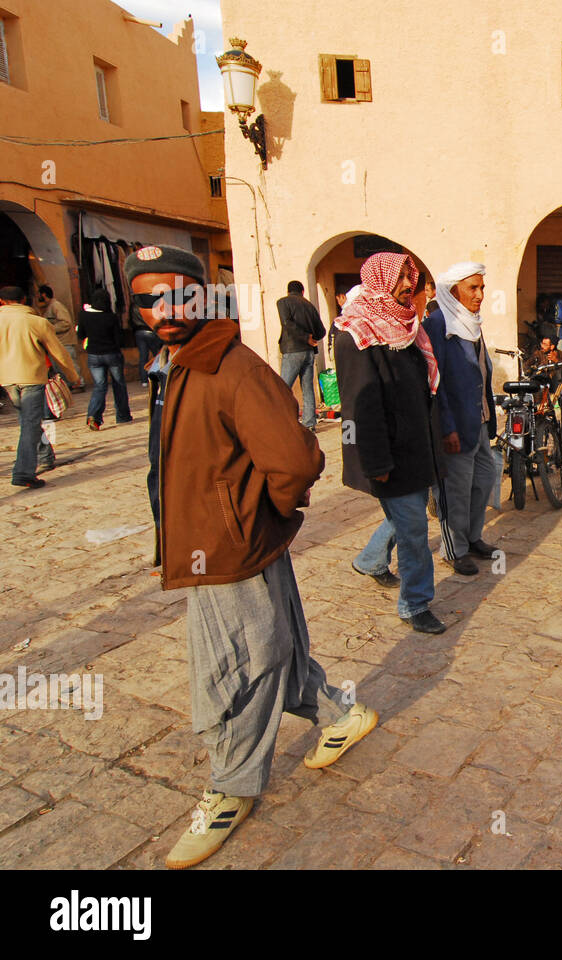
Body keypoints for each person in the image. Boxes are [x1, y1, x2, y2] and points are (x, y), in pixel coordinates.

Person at [125, 244, 375, 869]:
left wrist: (265, 515)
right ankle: (343, 714)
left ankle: (232, 786)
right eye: (149, 298)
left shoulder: (228, 367)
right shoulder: (177, 362)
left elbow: (294, 460)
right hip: (217, 544)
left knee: (236, 668)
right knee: (276, 648)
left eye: (178, 292)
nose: (165, 308)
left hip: (232, 550)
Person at [336, 252, 446, 632]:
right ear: (378, 279)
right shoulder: (356, 332)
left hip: (418, 448)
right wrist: (376, 463)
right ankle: (416, 604)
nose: (406, 285)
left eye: (409, 277)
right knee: (415, 530)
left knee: (404, 519)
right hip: (389, 455)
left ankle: (370, 561)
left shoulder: (409, 326)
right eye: (398, 278)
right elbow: (358, 405)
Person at [426, 261, 501, 573]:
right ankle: (453, 549)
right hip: (456, 425)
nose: (480, 294)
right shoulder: (437, 324)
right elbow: (435, 381)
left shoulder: (471, 322)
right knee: (455, 491)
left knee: (483, 480)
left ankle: (472, 537)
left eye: (482, 287)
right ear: (453, 290)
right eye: (473, 287)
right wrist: (447, 427)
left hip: (479, 420)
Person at [1, 286, 83, 488]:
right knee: (30, 423)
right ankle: (23, 472)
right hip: (32, 378)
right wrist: (73, 376)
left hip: (7, 380)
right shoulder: (37, 322)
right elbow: (59, 353)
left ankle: (45, 455)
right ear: (25, 299)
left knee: (28, 421)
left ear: (2, 302)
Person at [77, 288, 132, 430]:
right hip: (112, 354)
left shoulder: (83, 315)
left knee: (99, 386)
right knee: (118, 384)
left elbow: (81, 334)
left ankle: (94, 416)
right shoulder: (111, 317)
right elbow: (118, 338)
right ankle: (122, 416)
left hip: (94, 355)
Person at [276, 280, 326, 431]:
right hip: (309, 352)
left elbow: (287, 323)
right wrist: (311, 338)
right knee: (308, 388)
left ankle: (282, 421)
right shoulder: (309, 305)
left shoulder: (283, 302)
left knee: (283, 388)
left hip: (293, 350)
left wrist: (305, 337)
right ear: (302, 291)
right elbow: (321, 330)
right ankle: (309, 424)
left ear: (288, 290)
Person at [37, 284, 82, 390]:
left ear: (43, 295)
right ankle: (70, 385)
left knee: (69, 364)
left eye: (38, 294)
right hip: (58, 342)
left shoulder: (56, 306)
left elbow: (66, 323)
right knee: (60, 367)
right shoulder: (48, 307)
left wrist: (50, 329)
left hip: (65, 342)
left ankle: (78, 384)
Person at [131, 303, 164, 387]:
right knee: (157, 355)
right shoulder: (148, 304)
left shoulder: (134, 306)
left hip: (139, 332)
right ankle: (159, 376)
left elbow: (131, 320)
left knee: (143, 356)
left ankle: (144, 380)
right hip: (150, 331)